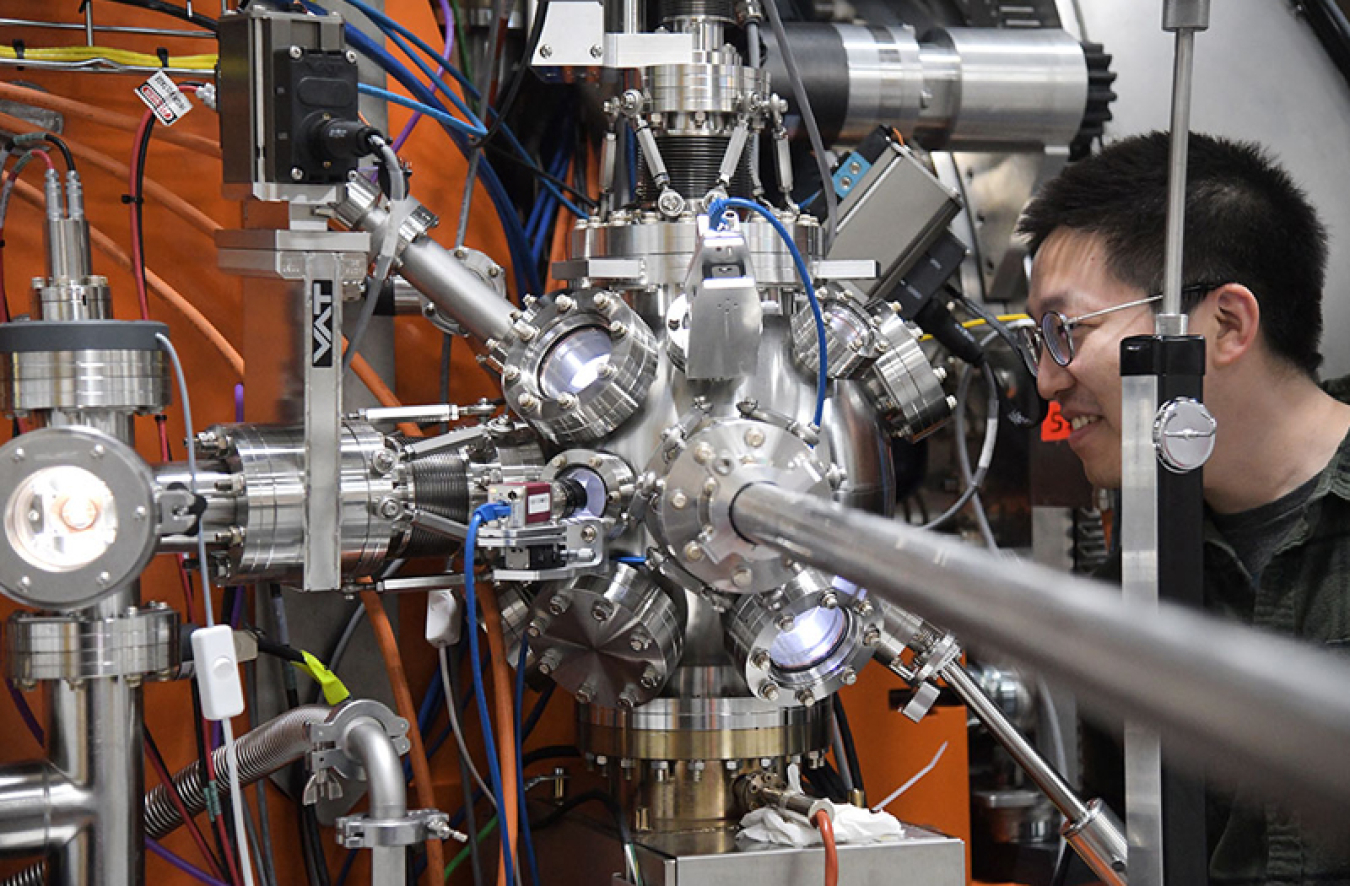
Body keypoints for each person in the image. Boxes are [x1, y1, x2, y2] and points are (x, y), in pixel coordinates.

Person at [1017, 131, 1350, 885]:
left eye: (1067, 331)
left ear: (1225, 325)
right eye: (1036, 339)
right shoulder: (1137, 585)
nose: (1045, 381)